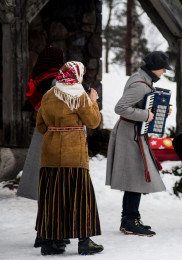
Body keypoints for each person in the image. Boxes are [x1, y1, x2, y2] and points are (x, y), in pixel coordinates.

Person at [35, 61, 104, 255]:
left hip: (50, 155)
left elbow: (40, 126)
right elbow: (93, 121)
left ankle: (51, 242)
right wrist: (93, 101)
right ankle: (84, 241)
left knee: (53, 198)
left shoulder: (49, 95)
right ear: (77, 75)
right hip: (74, 156)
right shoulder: (79, 95)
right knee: (80, 197)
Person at [106, 51, 171, 237]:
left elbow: (141, 106)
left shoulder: (143, 80)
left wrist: (159, 111)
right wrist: (145, 115)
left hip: (135, 133)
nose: (165, 71)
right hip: (129, 134)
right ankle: (130, 220)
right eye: (163, 68)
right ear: (155, 68)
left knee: (134, 177)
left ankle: (129, 218)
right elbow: (120, 108)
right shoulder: (139, 84)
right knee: (134, 177)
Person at [16, 46, 65, 248]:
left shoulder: (38, 78)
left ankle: (43, 233)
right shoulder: (54, 81)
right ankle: (46, 234)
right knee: (52, 187)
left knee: (44, 186)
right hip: (53, 135)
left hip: (41, 133)